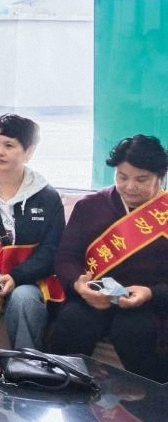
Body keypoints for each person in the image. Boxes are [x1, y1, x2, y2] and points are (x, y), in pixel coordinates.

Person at [48, 134, 168, 383]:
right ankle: (62, 392)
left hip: (149, 303)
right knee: (72, 321)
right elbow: (67, 257)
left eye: (141, 179)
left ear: (162, 176)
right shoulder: (90, 206)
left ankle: (150, 404)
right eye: (122, 177)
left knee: (135, 330)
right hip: (93, 296)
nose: (130, 186)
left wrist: (151, 293)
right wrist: (79, 285)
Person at [0, 114, 65, 365]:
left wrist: (17, 276)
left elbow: (51, 250)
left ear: (29, 151)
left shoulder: (46, 196)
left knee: (25, 298)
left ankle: (28, 372)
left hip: (25, 280)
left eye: (9, 145)